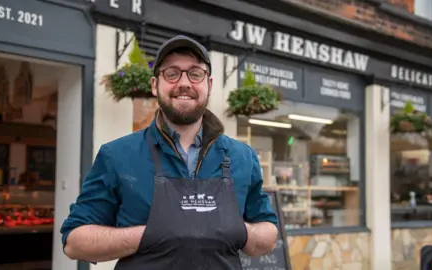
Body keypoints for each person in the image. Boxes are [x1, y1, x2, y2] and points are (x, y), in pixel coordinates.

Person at [60, 35, 279, 269]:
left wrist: (237, 228)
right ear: (155, 85)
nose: (184, 83)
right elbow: (75, 241)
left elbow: (268, 232)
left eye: (195, 73)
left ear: (209, 85)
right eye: (172, 73)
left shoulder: (242, 157)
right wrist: (151, 234)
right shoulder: (117, 155)